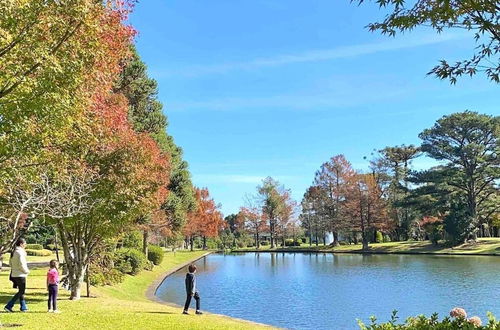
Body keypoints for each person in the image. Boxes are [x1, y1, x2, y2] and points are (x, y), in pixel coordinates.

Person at [4, 238, 29, 312]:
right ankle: (9, 306)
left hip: (14, 274)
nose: (25, 245)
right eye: (25, 243)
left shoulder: (14, 251)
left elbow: (10, 263)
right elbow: (22, 264)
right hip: (20, 274)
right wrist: (26, 271)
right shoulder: (20, 252)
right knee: (21, 291)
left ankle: (23, 307)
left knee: (21, 291)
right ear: (21, 244)